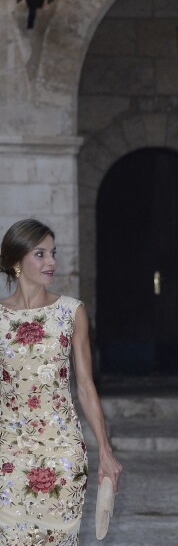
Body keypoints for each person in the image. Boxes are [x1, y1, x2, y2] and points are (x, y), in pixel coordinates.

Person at [0, 219, 122, 544]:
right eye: (40, 254)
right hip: (7, 457)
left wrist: (105, 451)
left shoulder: (70, 312)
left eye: (53, 253)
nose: (51, 262)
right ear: (16, 261)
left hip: (62, 456)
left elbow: (85, 386)